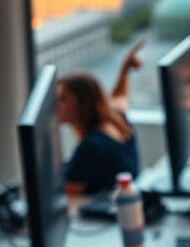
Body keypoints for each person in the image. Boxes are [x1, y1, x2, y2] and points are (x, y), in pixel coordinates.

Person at [59, 40, 144, 195]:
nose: (56, 105)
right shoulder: (117, 120)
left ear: (82, 104)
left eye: (63, 99)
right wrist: (125, 70)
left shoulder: (90, 146)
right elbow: (120, 97)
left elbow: (64, 193)